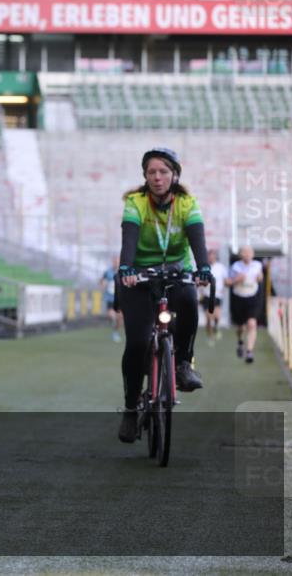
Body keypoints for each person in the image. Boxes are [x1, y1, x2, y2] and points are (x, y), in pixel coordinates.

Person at [116, 148, 213, 443]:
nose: (157, 178)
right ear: (145, 177)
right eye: (151, 173)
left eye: (163, 172)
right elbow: (129, 238)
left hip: (175, 272)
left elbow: (197, 238)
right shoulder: (135, 203)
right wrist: (125, 268)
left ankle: (183, 363)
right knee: (136, 343)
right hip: (140, 276)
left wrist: (204, 267)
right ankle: (131, 409)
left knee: (188, 300)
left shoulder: (187, 203)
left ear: (174, 175)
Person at [227, 245, 265, 364]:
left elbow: (260, 278)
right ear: (241, 254)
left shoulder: (257, 265)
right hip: (239, 297)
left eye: (249, 252)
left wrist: (260, 278)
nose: (247, 254)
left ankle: (249, 351)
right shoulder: (235, 266)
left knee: (252, 323)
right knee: (241, 327)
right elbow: (228, 282)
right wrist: (236, 280)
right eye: (245, 252)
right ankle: (240, 342)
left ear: (253, 254)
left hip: (252, 297)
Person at [200, 248, 227, 346]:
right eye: (209, 255)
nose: (211, 257)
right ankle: (210, 337)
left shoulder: (221, 267)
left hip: (218, 295)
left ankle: (216, 326)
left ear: (215, 256)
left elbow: (225, 280)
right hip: (206, 295)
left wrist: (225, 286)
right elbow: (199, 280)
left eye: (213, 255)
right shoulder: (204, 268)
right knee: (208, 318)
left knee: (217, 316)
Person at [100, 255, 123, 343]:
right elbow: (102, 281)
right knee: (110, 315)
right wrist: (103, 284)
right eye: (114, 261)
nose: (116, 263)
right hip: (110, 298)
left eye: (117, 261)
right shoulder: (108, 272)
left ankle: (115, 332)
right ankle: (112, 325)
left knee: (119, 318)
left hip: (119, 297)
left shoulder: (122, 272)